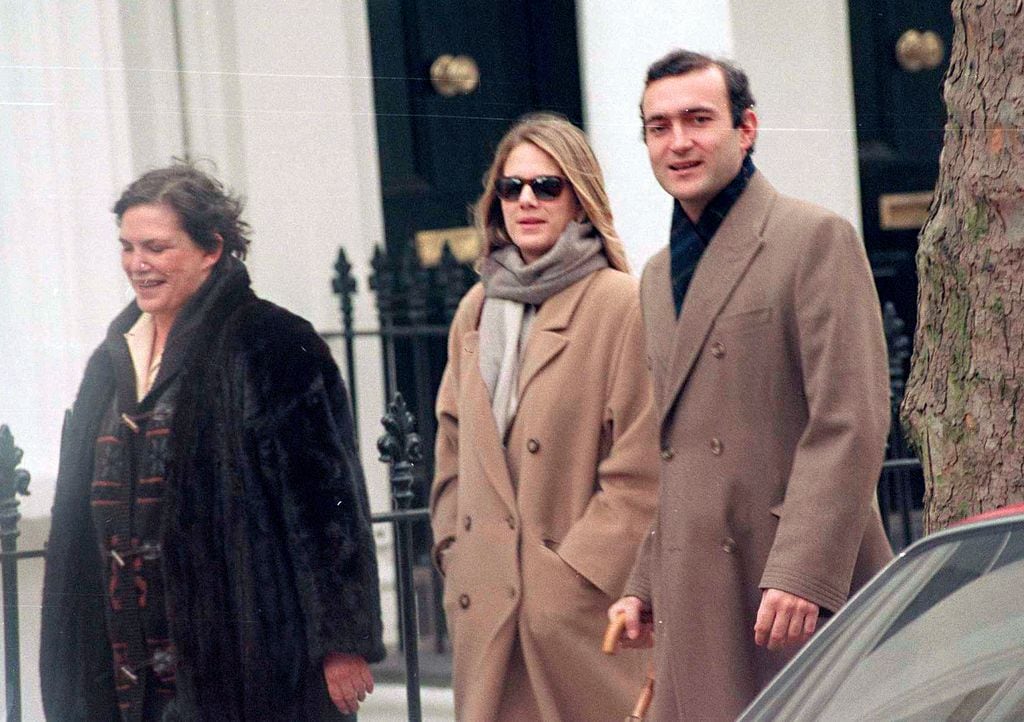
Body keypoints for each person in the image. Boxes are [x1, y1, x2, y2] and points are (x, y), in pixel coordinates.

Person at [39, 161, 385, 722]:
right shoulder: (110, 360)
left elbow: (327, 509)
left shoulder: (273, 343)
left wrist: (344, 642)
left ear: (212, 248)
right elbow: (75, 517)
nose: (137, 264)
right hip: (124, 664)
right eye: (127, 247)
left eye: (156, 247)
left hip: (246, 665)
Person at [607, 50, 894, 720]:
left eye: (698, 119)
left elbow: (849, 419)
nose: (678, 142)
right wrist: (645, 582)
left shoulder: (813, 237)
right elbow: (679, 449)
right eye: (659, 126)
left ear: (747, 129)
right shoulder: (653, 277)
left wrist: (802, 572)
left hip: (788, 589)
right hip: (699, 590)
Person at [430, 113, 659, 721]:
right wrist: (455, 552)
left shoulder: (620, 304)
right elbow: (452, 446)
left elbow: (641, 470)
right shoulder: (477, 308)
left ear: (580, 202)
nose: (526, 200)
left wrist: (569, 580)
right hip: (488, 614)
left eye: (547, 186)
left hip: (575, 620)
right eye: (512, 187)